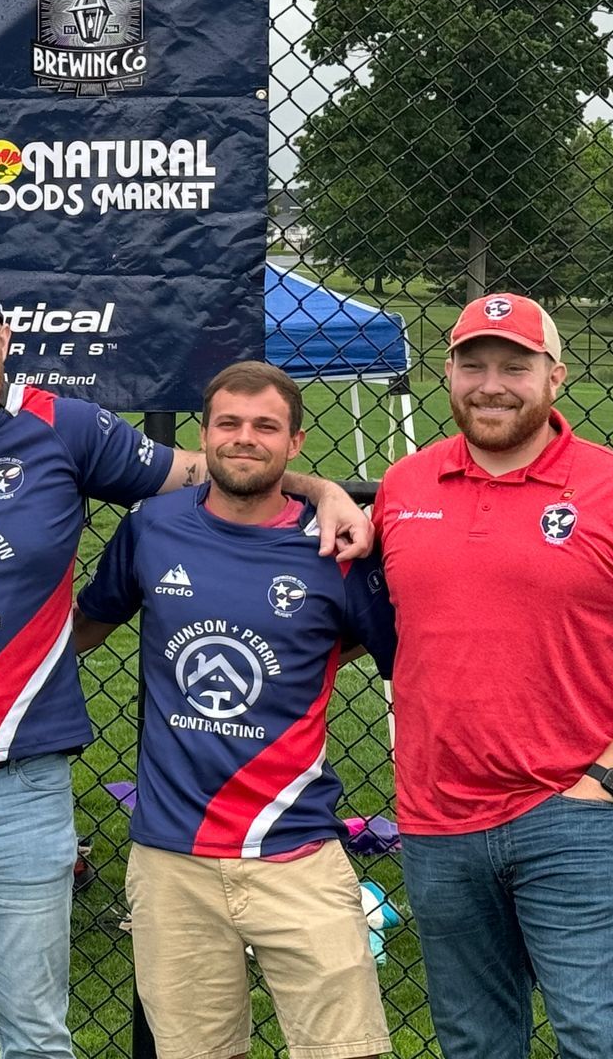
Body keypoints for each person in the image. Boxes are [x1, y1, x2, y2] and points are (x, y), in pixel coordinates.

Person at [0, 262, 372, 1059]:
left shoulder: (67, 427)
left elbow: (214, 469)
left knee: (37, 1037)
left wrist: (321, 486)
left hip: (23, 784)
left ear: (5, 343)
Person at [372, 293, 613, 1059]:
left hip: (570, 815)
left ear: (555, 377)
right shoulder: (404, 488)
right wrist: (318, 488)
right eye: (473, 365)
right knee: (474, 1043)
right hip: (436, 820)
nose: (491, 384)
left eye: (515, 366)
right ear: (448, 373)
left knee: (597, 1040)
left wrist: (605, 781)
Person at [72, 361, 395, 1059]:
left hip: (297, 848)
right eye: (229, 424)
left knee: (350, 1051)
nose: (245, 439)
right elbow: (86, 626)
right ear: (205, 433)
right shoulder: (152, 529)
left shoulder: (336, 548)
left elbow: (402, 655)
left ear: (296, 443)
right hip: (172, 856)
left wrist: (321, 653)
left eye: (265, 427)